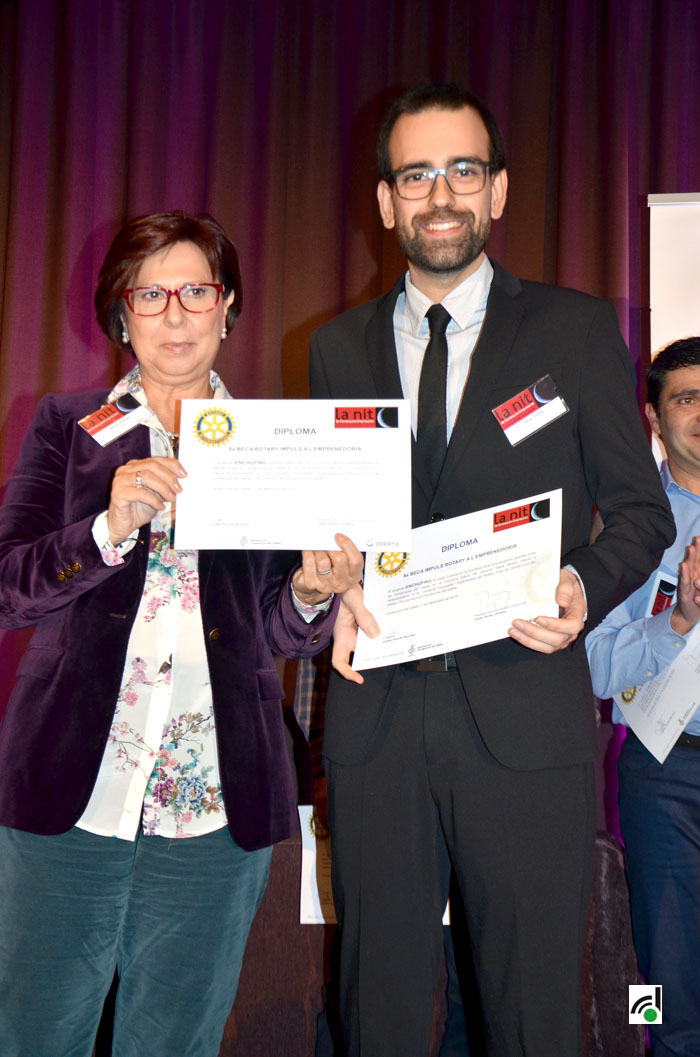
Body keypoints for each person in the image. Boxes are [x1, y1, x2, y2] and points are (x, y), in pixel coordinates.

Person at [308, 82, 675, 1057]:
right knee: (377, 1009)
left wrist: (582, 585)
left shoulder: (573, 331)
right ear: (384, 199)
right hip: (376, 720)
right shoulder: (334, 349)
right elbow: (327, 531)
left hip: (526, 712)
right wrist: (325, 583)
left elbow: (640, 515)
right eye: (416, 174)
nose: (440, 195)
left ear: (499, 189)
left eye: (463, 171)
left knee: (533, 1011)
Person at [0, 211, 363, 1057]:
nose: (174, 313)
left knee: (176, 1041)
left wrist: (310, 591)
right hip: (70, 786)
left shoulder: (276, 444)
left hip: (213, 800)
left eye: (195, 290)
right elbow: (10, 588)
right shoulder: (68, 424)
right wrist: (105, 528)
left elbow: (281, 630)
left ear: (226, 306)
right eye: (150, 294)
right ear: (120, 312)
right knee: (36, 1033)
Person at [586, 337, 700, 1057]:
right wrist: (677, 620)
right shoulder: (629, 524)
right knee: (666, 978)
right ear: (654, 418)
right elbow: (594, 665)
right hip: (666, 772)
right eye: (687, 398)